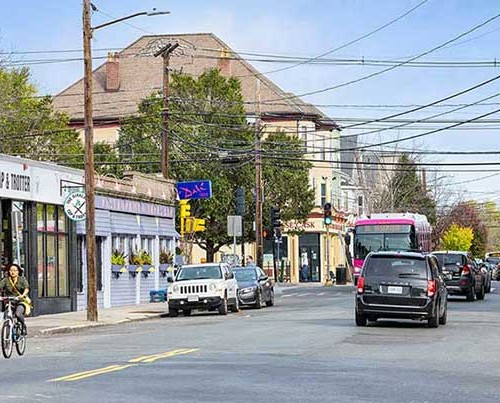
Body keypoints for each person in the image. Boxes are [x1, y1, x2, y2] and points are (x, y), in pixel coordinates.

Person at [0, 263, 30, 335]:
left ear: (18, 271)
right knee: (7, 314)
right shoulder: (5, 280)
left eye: (14, 270)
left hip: (20, 301)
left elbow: (27, 288)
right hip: (10, 301)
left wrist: (23, 295)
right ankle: (7, 331)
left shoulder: (22, 279)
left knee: (18, 314)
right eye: (11, 270)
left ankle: (23, 326)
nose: (12, 272)